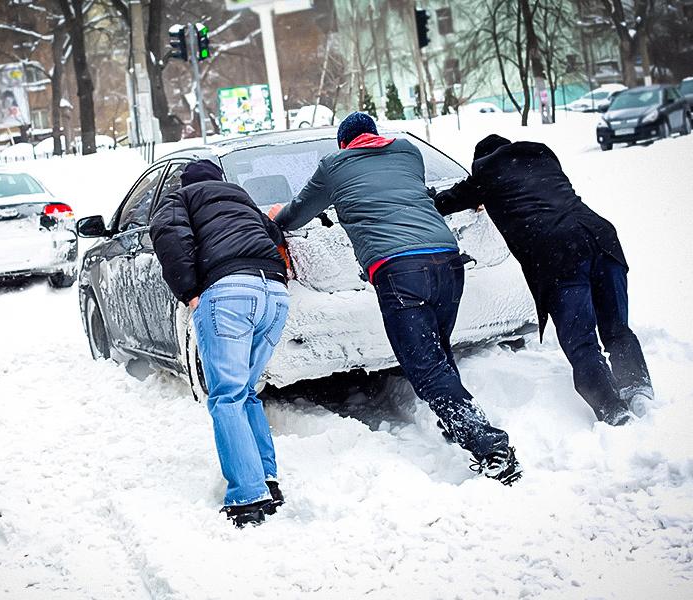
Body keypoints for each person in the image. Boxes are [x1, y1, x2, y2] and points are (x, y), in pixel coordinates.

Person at [270, 112, 522, 485]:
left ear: (344, 144)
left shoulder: (333, 166)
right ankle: (458, 423)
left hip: (399, 271)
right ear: (375, 135)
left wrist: (277, 217)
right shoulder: (408, 151)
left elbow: (296, 215)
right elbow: (407, 196)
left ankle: (489, 446)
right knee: (437, 352)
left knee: (424, 367)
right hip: (448, 262)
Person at [432, 134, 652, 425]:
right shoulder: (542, 154)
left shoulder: (485, 173)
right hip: (601, 237)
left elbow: (445, 202)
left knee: (581, 341)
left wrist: (469, 195)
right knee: (616, 328)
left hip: (560, 253)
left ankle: (613, 410)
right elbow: (534, 190)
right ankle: (637, 389)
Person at [150, 160, 290, 528]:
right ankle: (267, 480)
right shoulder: (243, 199)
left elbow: (167, 235)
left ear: (187, 183)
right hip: (275, 294)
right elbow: (275, 237)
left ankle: (247, 496)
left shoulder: (180, 199)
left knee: (226, 395)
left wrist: (189, 290)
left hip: (229, 293)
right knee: (245, 392)